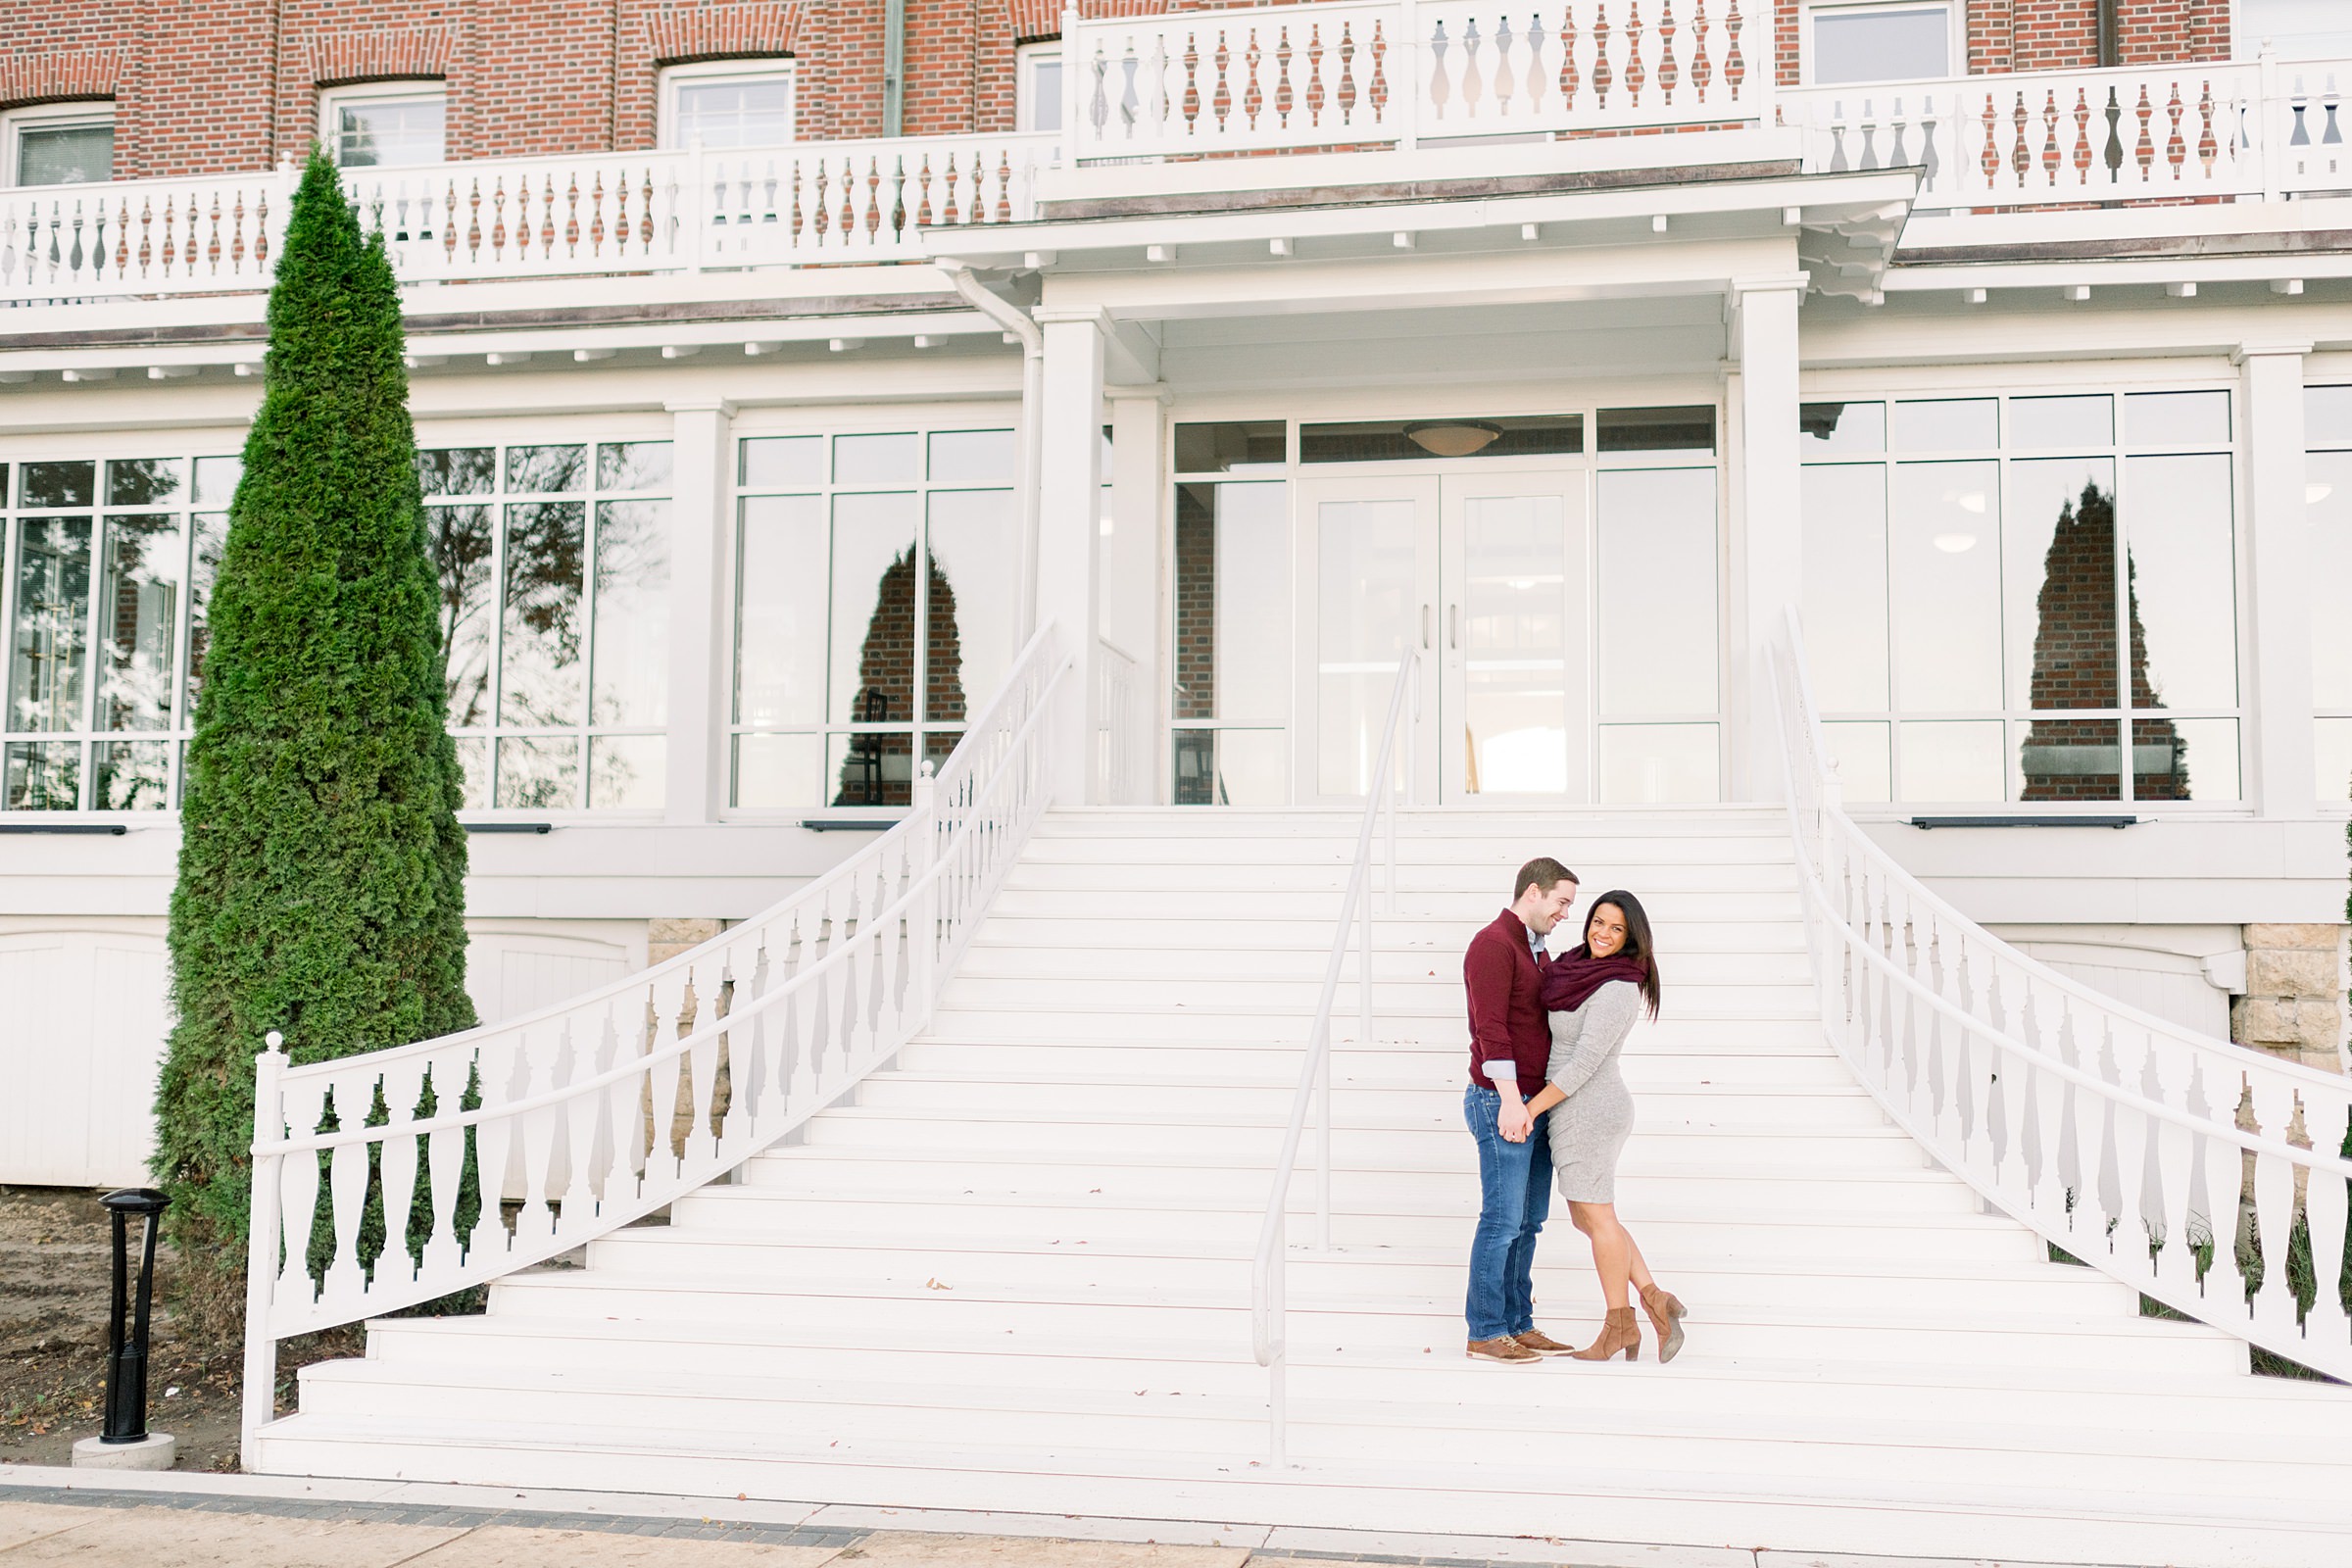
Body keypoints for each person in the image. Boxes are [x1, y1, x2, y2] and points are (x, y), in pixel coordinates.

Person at [1522, 891, 1689, 1363]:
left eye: (1616, 929)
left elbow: (1583, 1063)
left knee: (1597, 1218)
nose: (1603, 934)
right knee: (1589, 1217)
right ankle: (1655, 1300)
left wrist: (1532, 1109)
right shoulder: (1576, 969)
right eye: (1598, 922)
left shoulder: (1617, 986)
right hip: (1577, 1108)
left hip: (1589, 1110)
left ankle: (1619, 1322)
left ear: (1631, 938)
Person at [1461, 857, 1579, 1363]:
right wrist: (1511, 1101)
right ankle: (1486, 1331)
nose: (1565, 914)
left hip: (1535, 1104)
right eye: (1562, 903)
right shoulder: (1494, 944)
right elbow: (1491, 1027)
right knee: (1502, 1220)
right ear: (1534, 892)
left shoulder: (1536, 952)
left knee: (1529, 1221)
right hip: (1502, 1102)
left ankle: (1517, 1323)